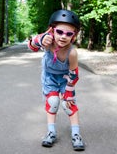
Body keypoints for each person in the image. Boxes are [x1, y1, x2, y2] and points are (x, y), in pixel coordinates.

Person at [27, 9, 85, 151]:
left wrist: (69, 92)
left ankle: (76, 134)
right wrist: (40, 40)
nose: (63, 36)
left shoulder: (72, 52)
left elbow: (74, 74)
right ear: (52, 30)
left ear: (74, 36)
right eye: (59, 32)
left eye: (69, 33)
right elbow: (31, 46)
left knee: (68, 104)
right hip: (49, 77)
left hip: (66, 79)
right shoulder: (47, 41)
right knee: (52, 102)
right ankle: (51, 132)